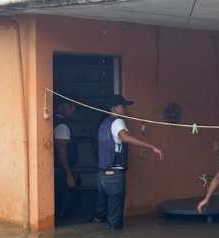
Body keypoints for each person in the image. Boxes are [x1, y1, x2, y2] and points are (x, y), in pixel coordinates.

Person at [94, 97, 164, 230]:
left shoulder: (103, 124)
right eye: (123, 106)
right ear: (115, 108)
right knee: (115, 221)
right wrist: (151, 147)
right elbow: (125, 138)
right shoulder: (118, 121)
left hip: (102, 176)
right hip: (114, 175)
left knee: (101, 214)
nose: (125, 109)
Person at [53, 99, 78, 223]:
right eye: (70, 106)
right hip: (62, 170)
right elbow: (61, 151)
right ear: (61, 106)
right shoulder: (62, 126)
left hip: (60, 169)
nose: (73, 109)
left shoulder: (55, 122)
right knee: (65, 200)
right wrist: (69, 174)